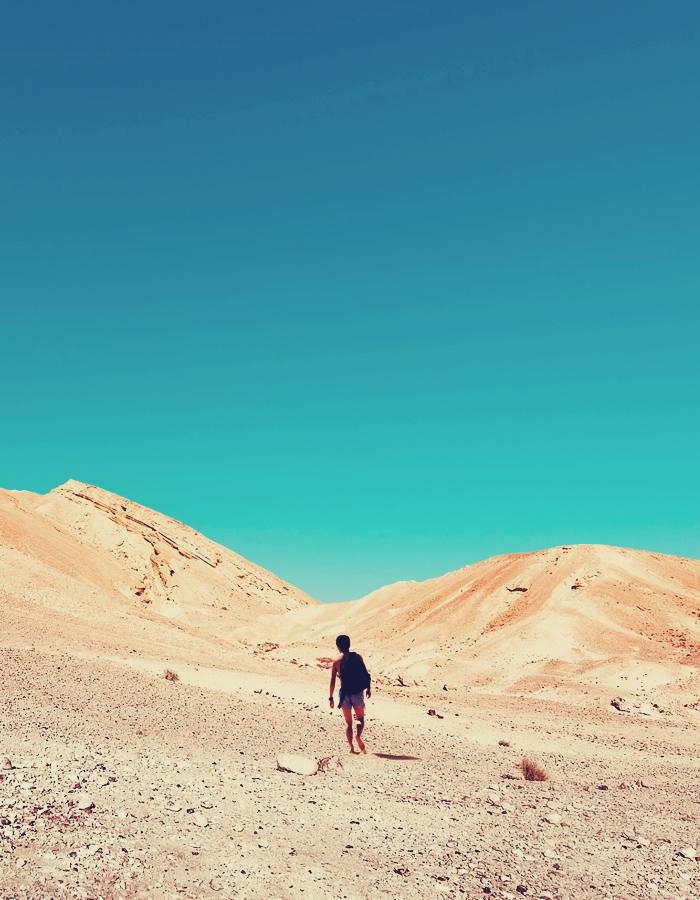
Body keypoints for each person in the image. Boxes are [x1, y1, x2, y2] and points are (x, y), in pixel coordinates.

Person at [328, 634, 371, 754]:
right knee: (360, 719)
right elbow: (365, 673)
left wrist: (331, 697)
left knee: (348, 723)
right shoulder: (357, 657)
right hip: (357, 693)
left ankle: (351, 747)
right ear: (349, 645)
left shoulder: (336, 662)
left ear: (338, 647)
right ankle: (358, 736)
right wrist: (368, 688)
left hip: (344, 695)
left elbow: (332, 680)